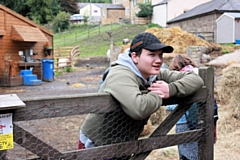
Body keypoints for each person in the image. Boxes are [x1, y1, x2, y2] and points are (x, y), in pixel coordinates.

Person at [78, 32, 204, 159]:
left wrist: (171, 89)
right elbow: (139, 109)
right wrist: (158, 93)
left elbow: (195, 79)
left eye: (160, 55)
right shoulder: (120, 74)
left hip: (123, 145)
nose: (159, 60)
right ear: (135, 57)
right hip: (97, 146)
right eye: (151, 55)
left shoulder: (153, 74)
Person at [167, 54, 219, 160]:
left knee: (187, 154)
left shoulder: (179, 79)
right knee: (200, 151)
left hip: (184, 122)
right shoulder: (199, 74)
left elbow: (172, 107)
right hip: (202, 120)